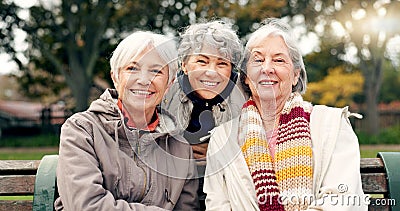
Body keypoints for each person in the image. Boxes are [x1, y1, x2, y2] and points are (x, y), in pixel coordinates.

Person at [204, 18, 367, 211]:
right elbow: (217, 206)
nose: (267, 68)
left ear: (296, 74)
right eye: (257, 60)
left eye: (279, 60)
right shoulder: (222, 138)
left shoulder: (332, 125)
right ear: (246, 77)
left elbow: (341, 200)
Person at [54, 31, 200, 210]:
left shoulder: (180, 147)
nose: (144, 80)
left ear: (169, 84)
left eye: (156, 71)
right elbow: (85, 205)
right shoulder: (82, 130)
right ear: (115, 77)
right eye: (132, 68)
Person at [162, 20, 247, 209]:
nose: (211, 72)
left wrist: (218, 152)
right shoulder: (162, 95)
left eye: (222, 63)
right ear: (184, 65)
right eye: (202, 61)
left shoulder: (245, 100)